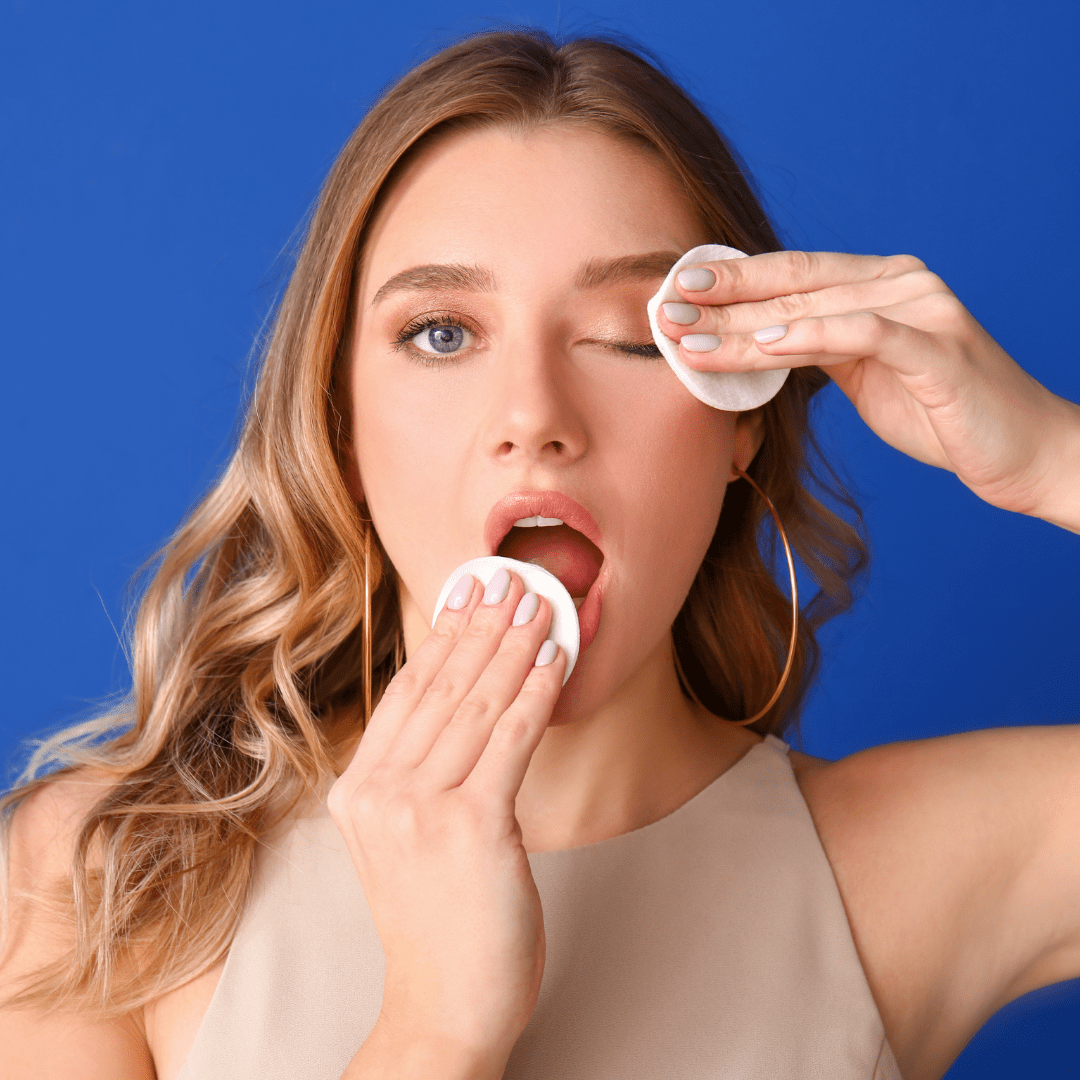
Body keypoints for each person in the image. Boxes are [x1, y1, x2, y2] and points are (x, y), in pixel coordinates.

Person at [2, 28, 1078, 1080]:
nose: (533, 416)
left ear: (743, 414)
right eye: (441, 334)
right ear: (340, 420)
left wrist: (1047, 454)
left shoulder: (903, 871)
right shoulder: (96, 880)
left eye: (630, 337)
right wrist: (436, 1028)